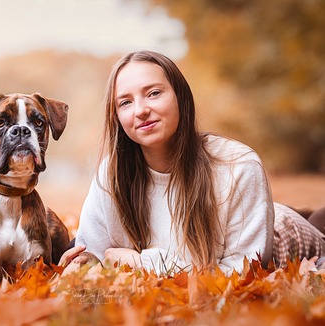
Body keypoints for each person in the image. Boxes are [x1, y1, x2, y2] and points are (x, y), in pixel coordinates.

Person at [60, 50, 325, 275]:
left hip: (284, 231)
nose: (140, 110)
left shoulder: (239, 166)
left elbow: (242, 271)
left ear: (180, 97)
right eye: (125, 102)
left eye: (153, 93)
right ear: (116, 116)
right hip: (246, 220)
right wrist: (84, 264)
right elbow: (96, 253)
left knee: (316, 221)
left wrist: (143, 262)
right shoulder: (112, 172)